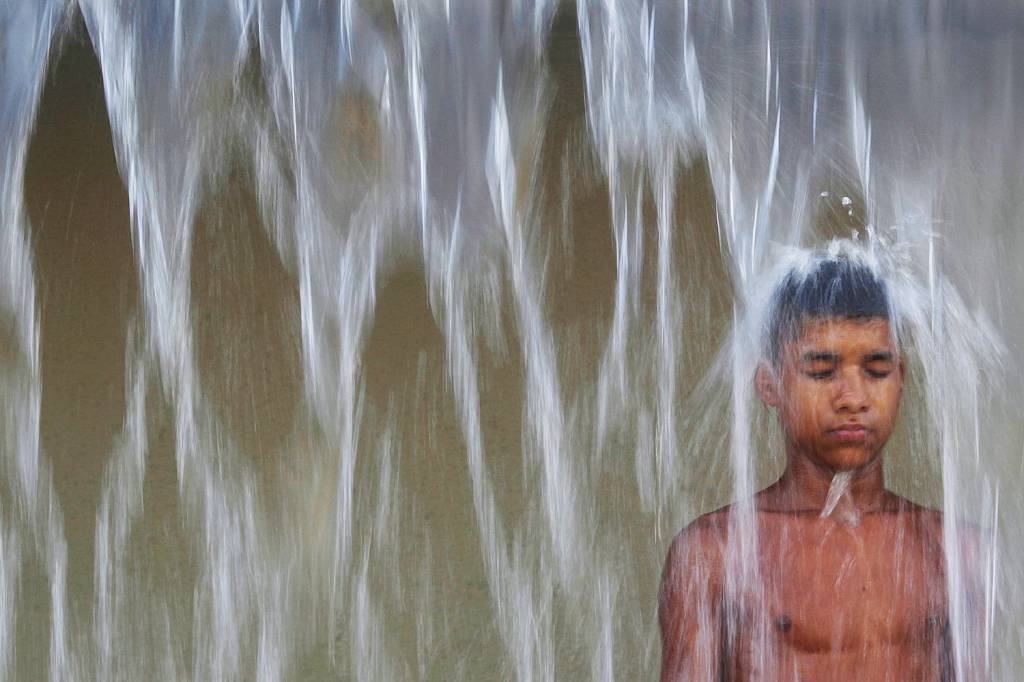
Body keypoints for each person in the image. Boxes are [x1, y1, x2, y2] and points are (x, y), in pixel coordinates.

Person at [658, 257, 984, 681]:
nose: (853, 398)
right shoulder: (716, 554)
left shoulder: (958, 552)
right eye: (821, 371)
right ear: (769, 383)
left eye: (877, 370)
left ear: (900, 378)